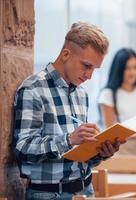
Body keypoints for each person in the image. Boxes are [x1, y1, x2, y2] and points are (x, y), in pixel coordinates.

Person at [13, 22, 122, 200]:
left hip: (85, 191)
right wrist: (69, 139)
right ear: (65, 54)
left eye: (94, 69)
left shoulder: (81, 94)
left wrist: (100, 153)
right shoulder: (33, 90)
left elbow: (77, 158)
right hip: (48, 194)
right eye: (87, 66)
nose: (90, 75)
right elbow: (22, 149)